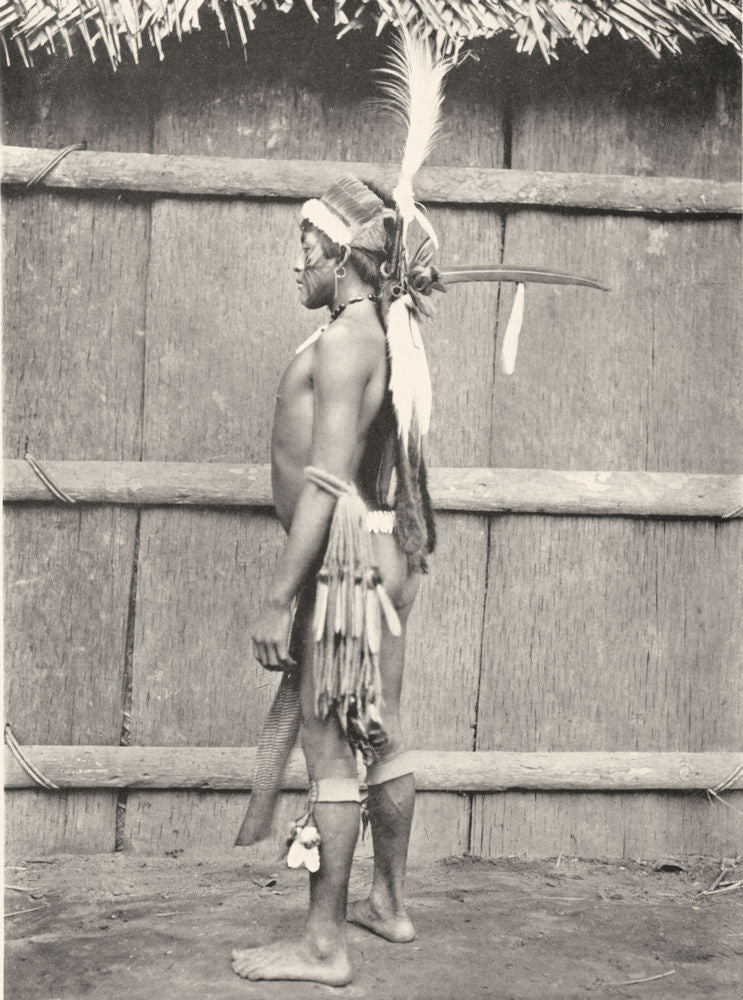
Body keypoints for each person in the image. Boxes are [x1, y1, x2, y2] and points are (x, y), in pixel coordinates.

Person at [231, 176, 437, 986]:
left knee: (329, 750)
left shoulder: (349, 342)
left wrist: (279, 598)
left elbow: (324, 480)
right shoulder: (372, 331)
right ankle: (387, 903)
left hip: (345, 565)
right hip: (380, 550)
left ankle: (322, 946)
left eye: (307, 248)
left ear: (343, 258)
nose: (295, 262)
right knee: (377, 728)